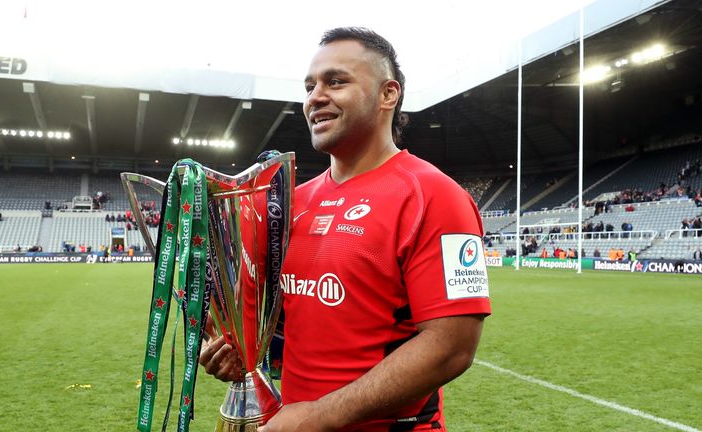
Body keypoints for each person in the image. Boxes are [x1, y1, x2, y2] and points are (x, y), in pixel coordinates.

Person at [200, 27, 490, 432]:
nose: (315, 96)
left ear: (388, 94)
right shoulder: (288, 204)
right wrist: (235, 352)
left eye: (335, 81)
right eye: (309, 86)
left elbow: (452, 347)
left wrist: (322, 416)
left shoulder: (435, 196)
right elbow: (275, 323)